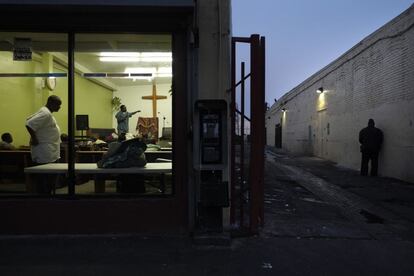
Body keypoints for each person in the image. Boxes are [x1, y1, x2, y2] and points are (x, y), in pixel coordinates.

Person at [26, 95, 62, 193]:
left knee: (48, 177)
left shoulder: (46, 112)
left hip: (49, 150)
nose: (59, 107)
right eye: (58, 105)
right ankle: (44, 197)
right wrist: (34, 138)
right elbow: (29, 124)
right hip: (45, 151)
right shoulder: (45, 113)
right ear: (51, 103)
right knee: (45, 177)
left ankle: (47, 195)